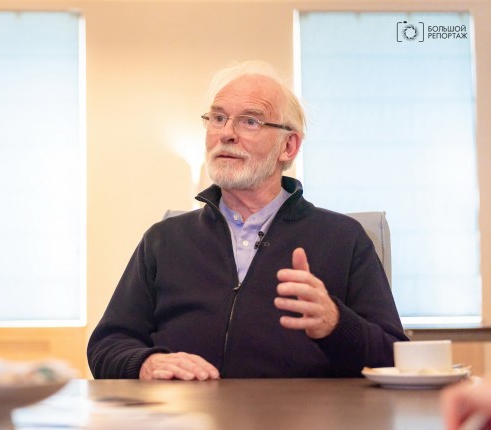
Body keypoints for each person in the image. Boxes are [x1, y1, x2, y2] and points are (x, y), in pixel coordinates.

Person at [87, 60, 407, 380]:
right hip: (187, 408)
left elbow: (393, 357)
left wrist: (336, 324)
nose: (226, 133)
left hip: (298, 409)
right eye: (218, 118)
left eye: (250, 121)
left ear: (288, 146)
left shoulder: (344, 239)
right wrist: (146, 362)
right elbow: (107, 345)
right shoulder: (164, 239)